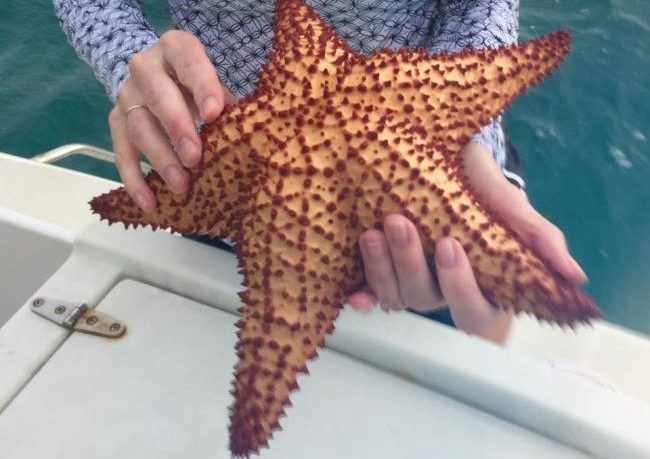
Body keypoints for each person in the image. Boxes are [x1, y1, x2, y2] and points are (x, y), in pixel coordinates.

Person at [53, 0, 587, 344]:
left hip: (433, 156)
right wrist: (127, 58)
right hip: (220, 167)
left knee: (478, 326)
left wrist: (469, 138)